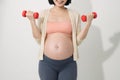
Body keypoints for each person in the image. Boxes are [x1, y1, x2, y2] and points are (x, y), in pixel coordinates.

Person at [26, 0, 94, 80]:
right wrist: (32, 21)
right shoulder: (43, 14)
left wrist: (88, 23)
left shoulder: (75, 15)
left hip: (68, 64)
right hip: (47, 63)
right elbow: (39, 39)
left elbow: (77, 40)